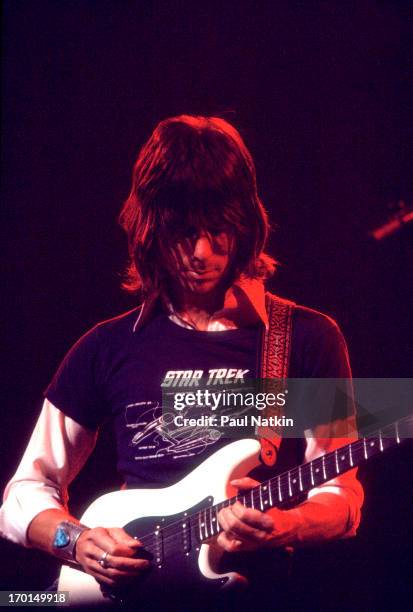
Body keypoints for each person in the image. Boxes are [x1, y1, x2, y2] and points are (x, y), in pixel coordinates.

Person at [0, 115, 363, 609]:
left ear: (247, 224)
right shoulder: (108, 346)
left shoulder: (310, 337)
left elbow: (341, 495)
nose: (202, 252)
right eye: (183, 233)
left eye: (220, 231)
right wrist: (76, 540)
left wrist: (284, 525)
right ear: (149, 229)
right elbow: (24, 492)